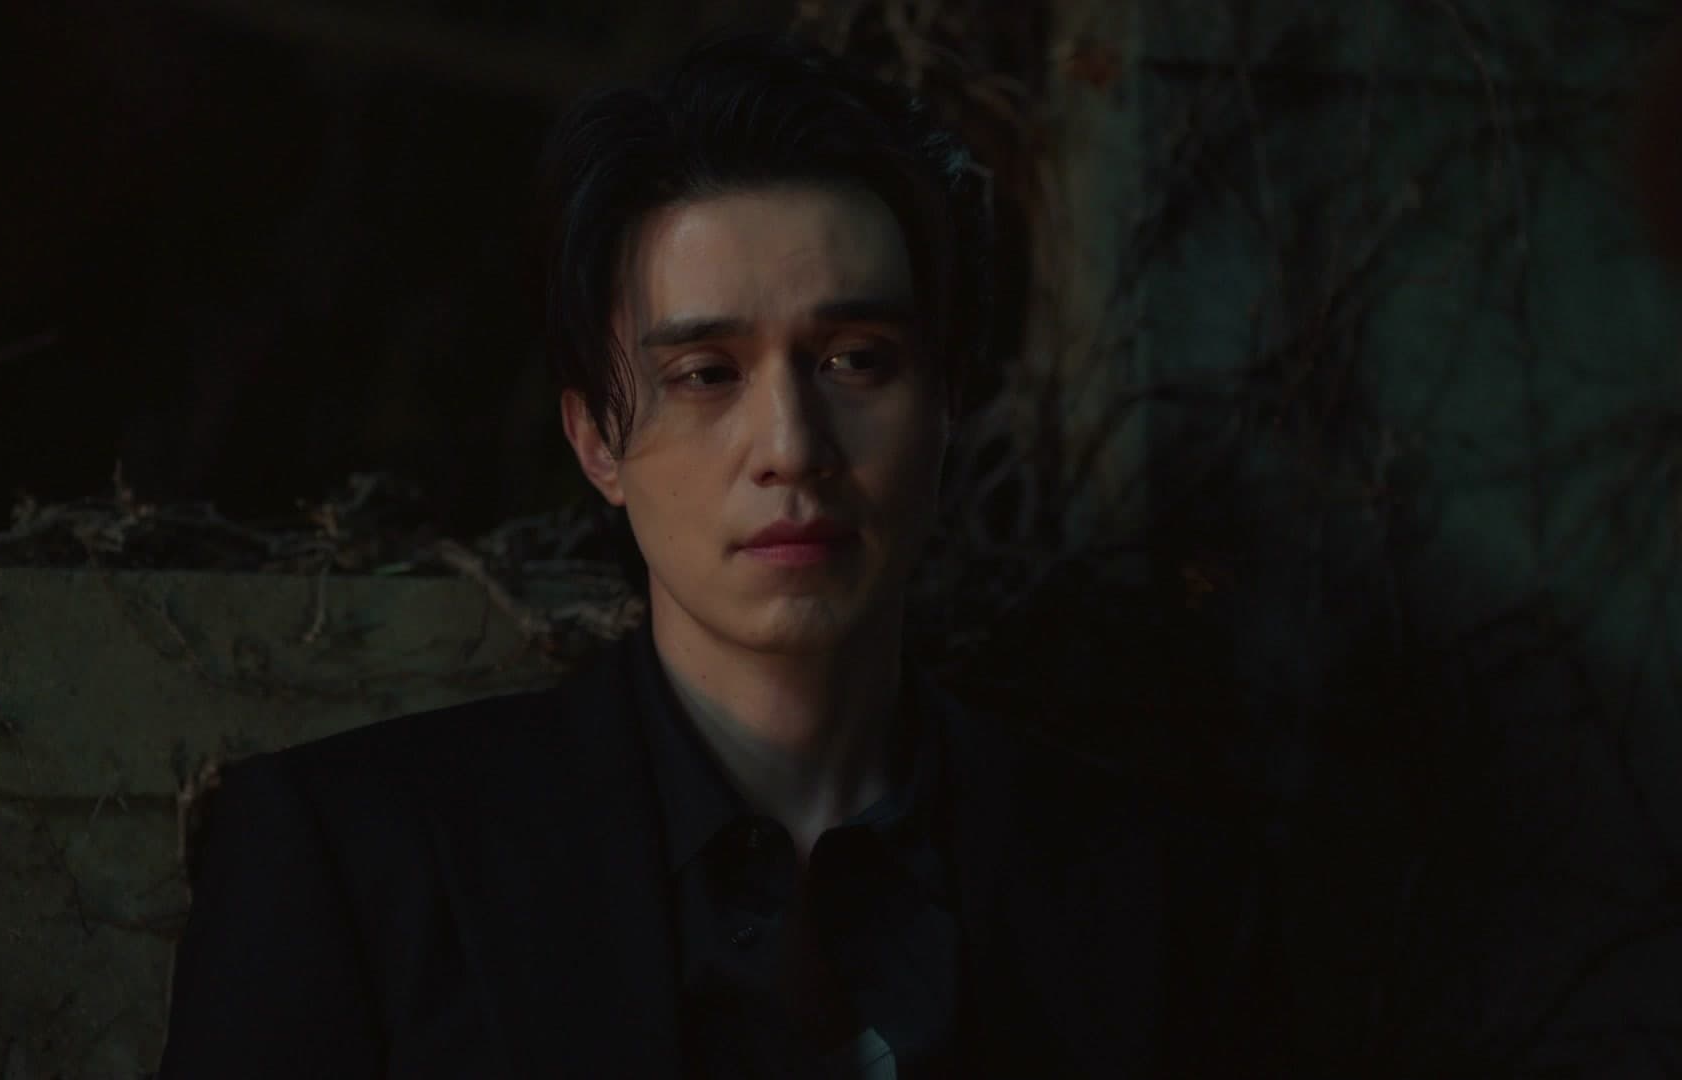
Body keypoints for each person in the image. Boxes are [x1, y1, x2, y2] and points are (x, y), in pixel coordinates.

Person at [159, 32, 1252, 1078]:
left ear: (946, 404)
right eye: (706, 374)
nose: (791, 447)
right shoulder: (356, 864)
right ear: (596, 441)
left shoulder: (1146, 886)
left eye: (856, 360)